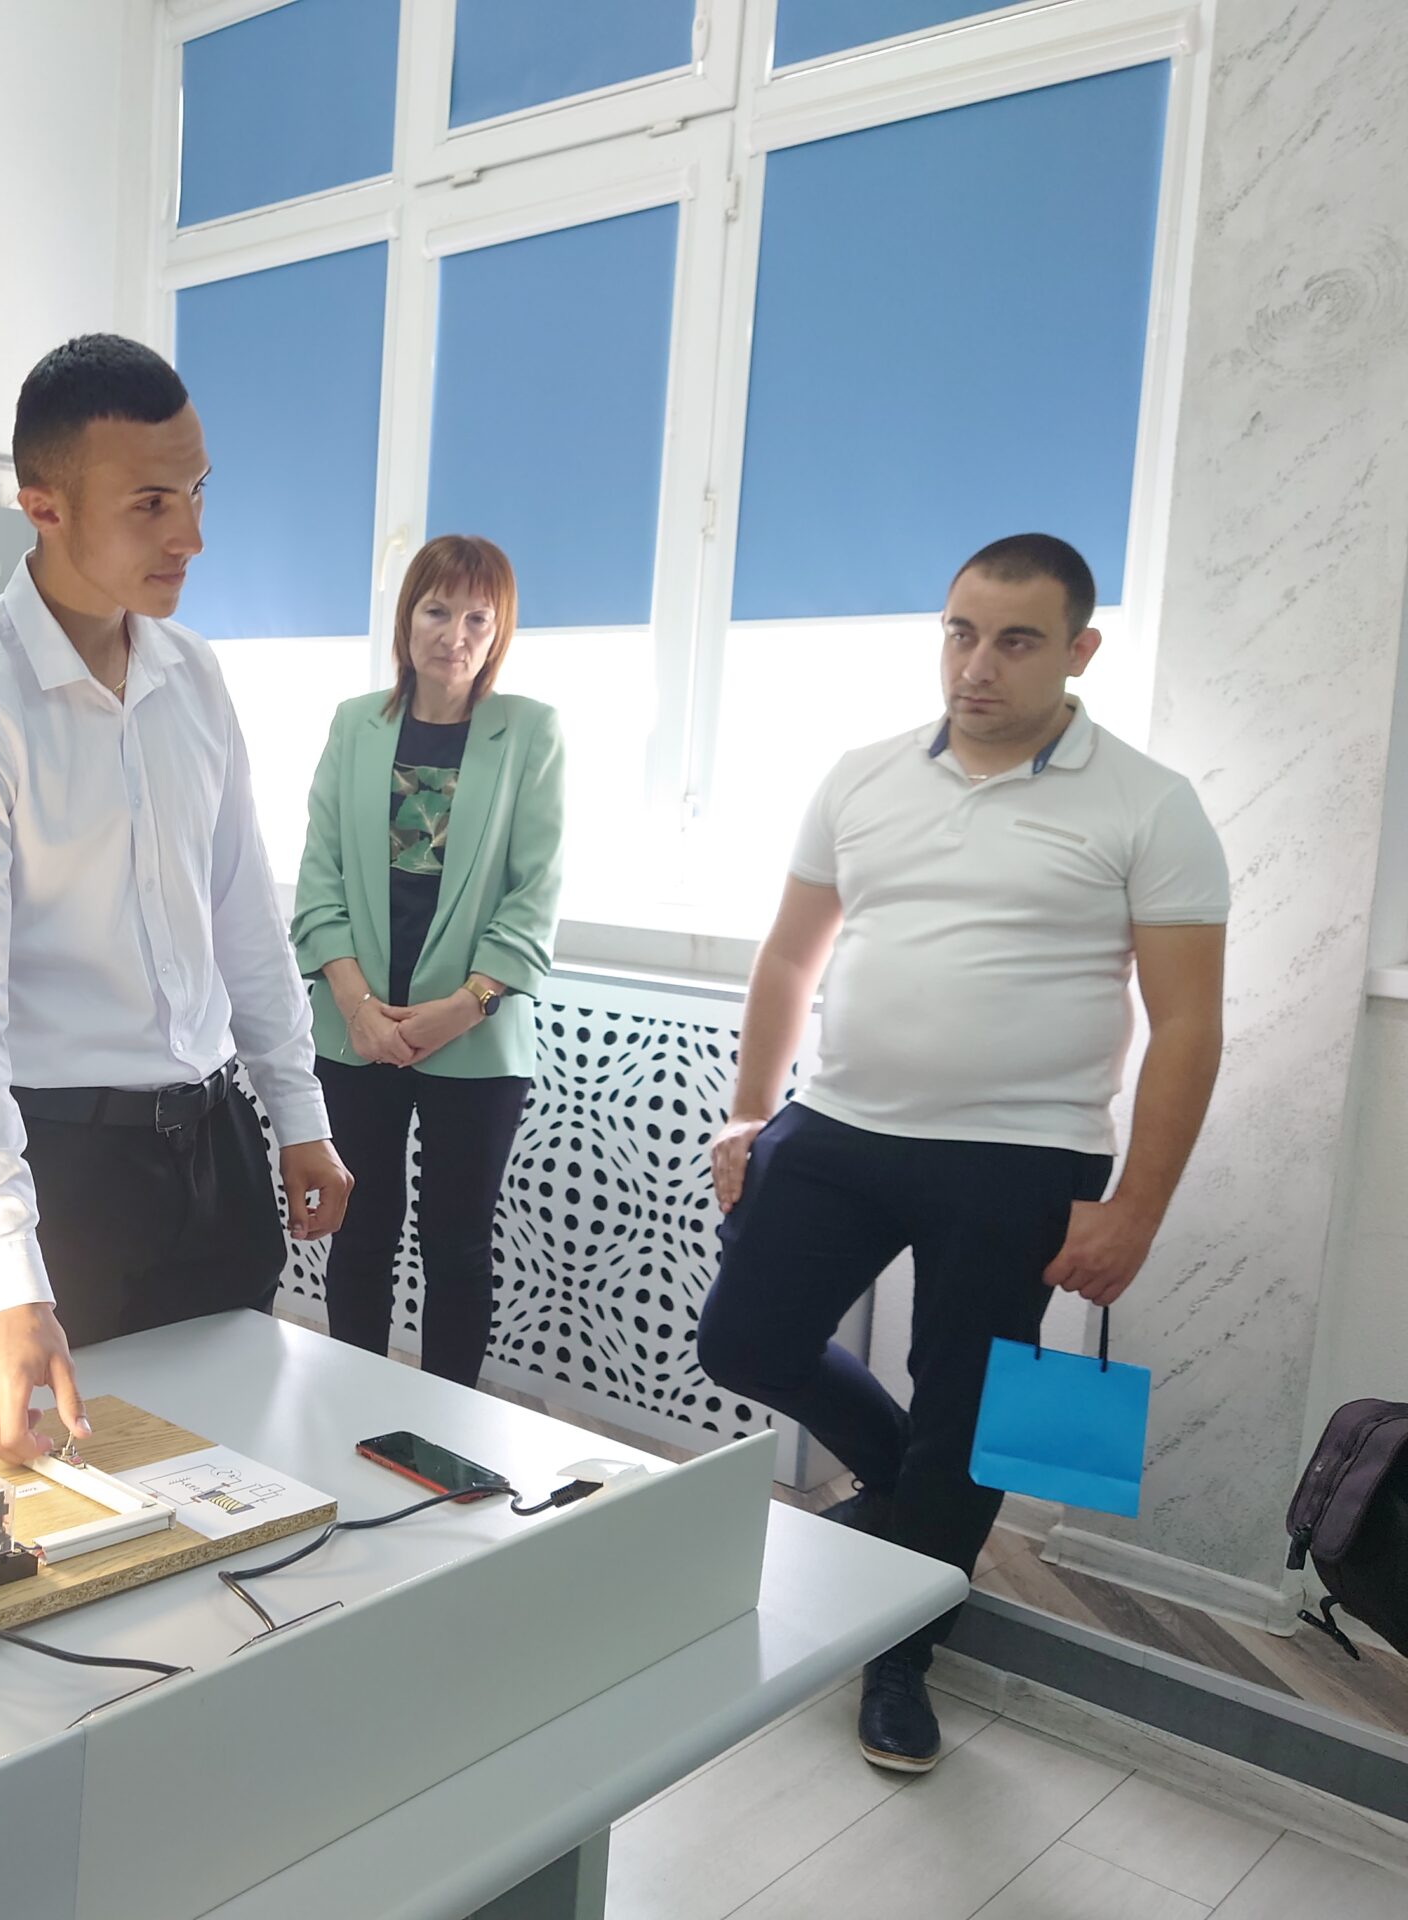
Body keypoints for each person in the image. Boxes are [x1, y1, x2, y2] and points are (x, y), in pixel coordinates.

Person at [696, 532, 1228, 1773]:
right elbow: (789, 955)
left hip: (1021, 1156)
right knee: (745, 1340)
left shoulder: (1148, 803)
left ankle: (901, 1655)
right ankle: (907, 1494)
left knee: (968, 1408)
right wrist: (749, 1112)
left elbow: (1188, 1024)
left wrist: (1136, 1208)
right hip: (839, 1123)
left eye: (1016, 640)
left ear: (1079, 650)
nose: (976, 665)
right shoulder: (862, 775)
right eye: (959, 632)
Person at [0, 333, 354, 1467]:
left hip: (214, 1153)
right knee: (46, 1508)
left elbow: (243, 919)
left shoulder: (194, 676)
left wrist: (297, 1115)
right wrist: (8, 1283)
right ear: (43, 506)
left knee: (232, 1472)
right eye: (150, 503)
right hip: (61, 1177)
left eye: (197, 492)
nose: (189, 535)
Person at [289, 535, 564, 1387]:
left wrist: (464, 1005)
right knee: (361, 1233)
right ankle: (351, 1409)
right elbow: (319, 881)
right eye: (438, 610)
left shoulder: (529, 732)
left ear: (500, 630)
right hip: (357, 1032)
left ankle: (447, 1426)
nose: (455, 634)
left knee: (458, 1245)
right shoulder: (355, 724)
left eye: (478, 617)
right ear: (406, 619)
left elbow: (535, 894)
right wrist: (358, 1008)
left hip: (475, 1039)